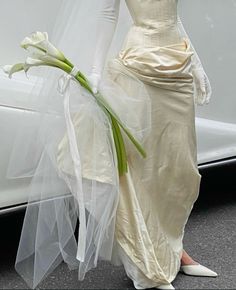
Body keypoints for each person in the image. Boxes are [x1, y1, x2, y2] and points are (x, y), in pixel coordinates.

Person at [5, 0, 217, 289]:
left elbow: (171, 17)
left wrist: (196, 65)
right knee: (146, 166)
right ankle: (148, 261)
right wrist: (94, 71)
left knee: (179, 167)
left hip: (177, 63)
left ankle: (174, 249)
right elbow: (107, 12)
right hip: (140, 66)